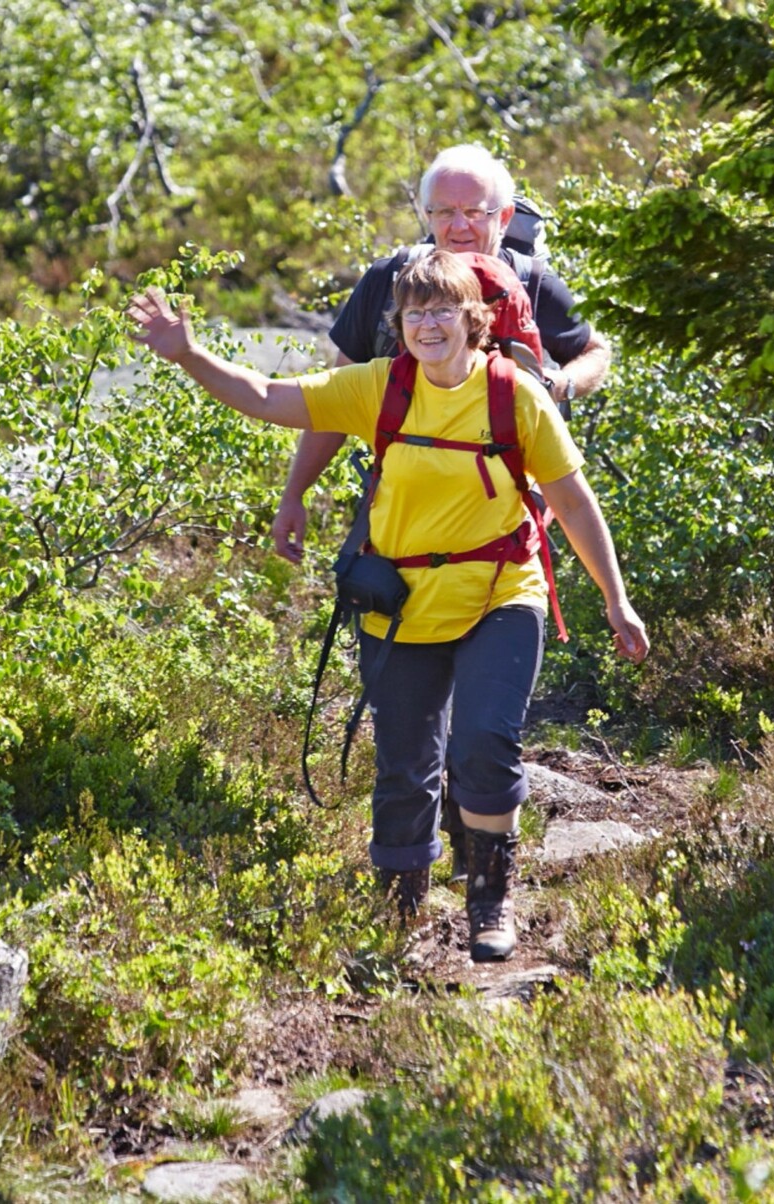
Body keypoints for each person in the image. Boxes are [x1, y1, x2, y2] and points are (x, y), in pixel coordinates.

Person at [127, 250, 648, 963]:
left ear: (474, 321)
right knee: (405, 765)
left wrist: (617, 602)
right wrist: (189, 355)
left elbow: (573, 502)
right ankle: (398, 912)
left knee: (485, 743)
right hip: (401, 604)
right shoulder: (378, 386)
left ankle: (491, 899)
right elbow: (264, 395)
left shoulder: (514, 395)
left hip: (503, 591)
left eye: (441, 311)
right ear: (399, 324)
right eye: (414, 313)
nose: (427, 325)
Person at [272, 144, 613, 881]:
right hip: (399, 525)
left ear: (505, 215)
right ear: (424, 215)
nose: (460, 225)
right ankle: (419, 868)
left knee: (479, 710)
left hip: (502, 530)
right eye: (445, 212)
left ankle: (476, 854)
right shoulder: (390, 286)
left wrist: (560, 388)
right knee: (417, 714)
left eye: (476, 211)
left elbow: (595, 350)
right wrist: (295, 490)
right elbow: (332, 402)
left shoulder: (529, 281)